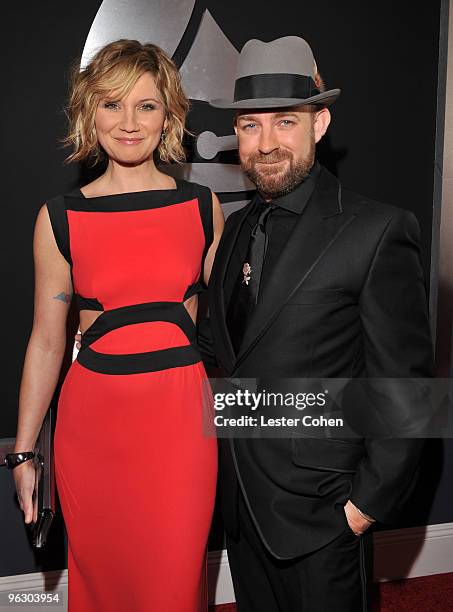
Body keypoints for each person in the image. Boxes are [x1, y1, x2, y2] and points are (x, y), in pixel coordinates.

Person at [205, 36, 433, 611]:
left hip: (324, 515)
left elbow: (405, 387)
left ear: (320, 122)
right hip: (242, 510)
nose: (267, 143)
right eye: (251, 126)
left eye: (286, 122)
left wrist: (362, 508)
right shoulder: (234, 233)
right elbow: (222, 358)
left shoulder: (376, 230)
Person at [9, 39, 223, 611]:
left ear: (169, 116)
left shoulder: (203, 207)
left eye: (146, 106)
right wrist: (24, 451)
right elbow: (47, 340)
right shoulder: (60, 218)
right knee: (104, 585)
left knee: (174, 588)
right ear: (89, 114)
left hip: (181, 426)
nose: (129, 123)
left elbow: (227, 329)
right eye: (112, 104)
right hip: (95, 429)